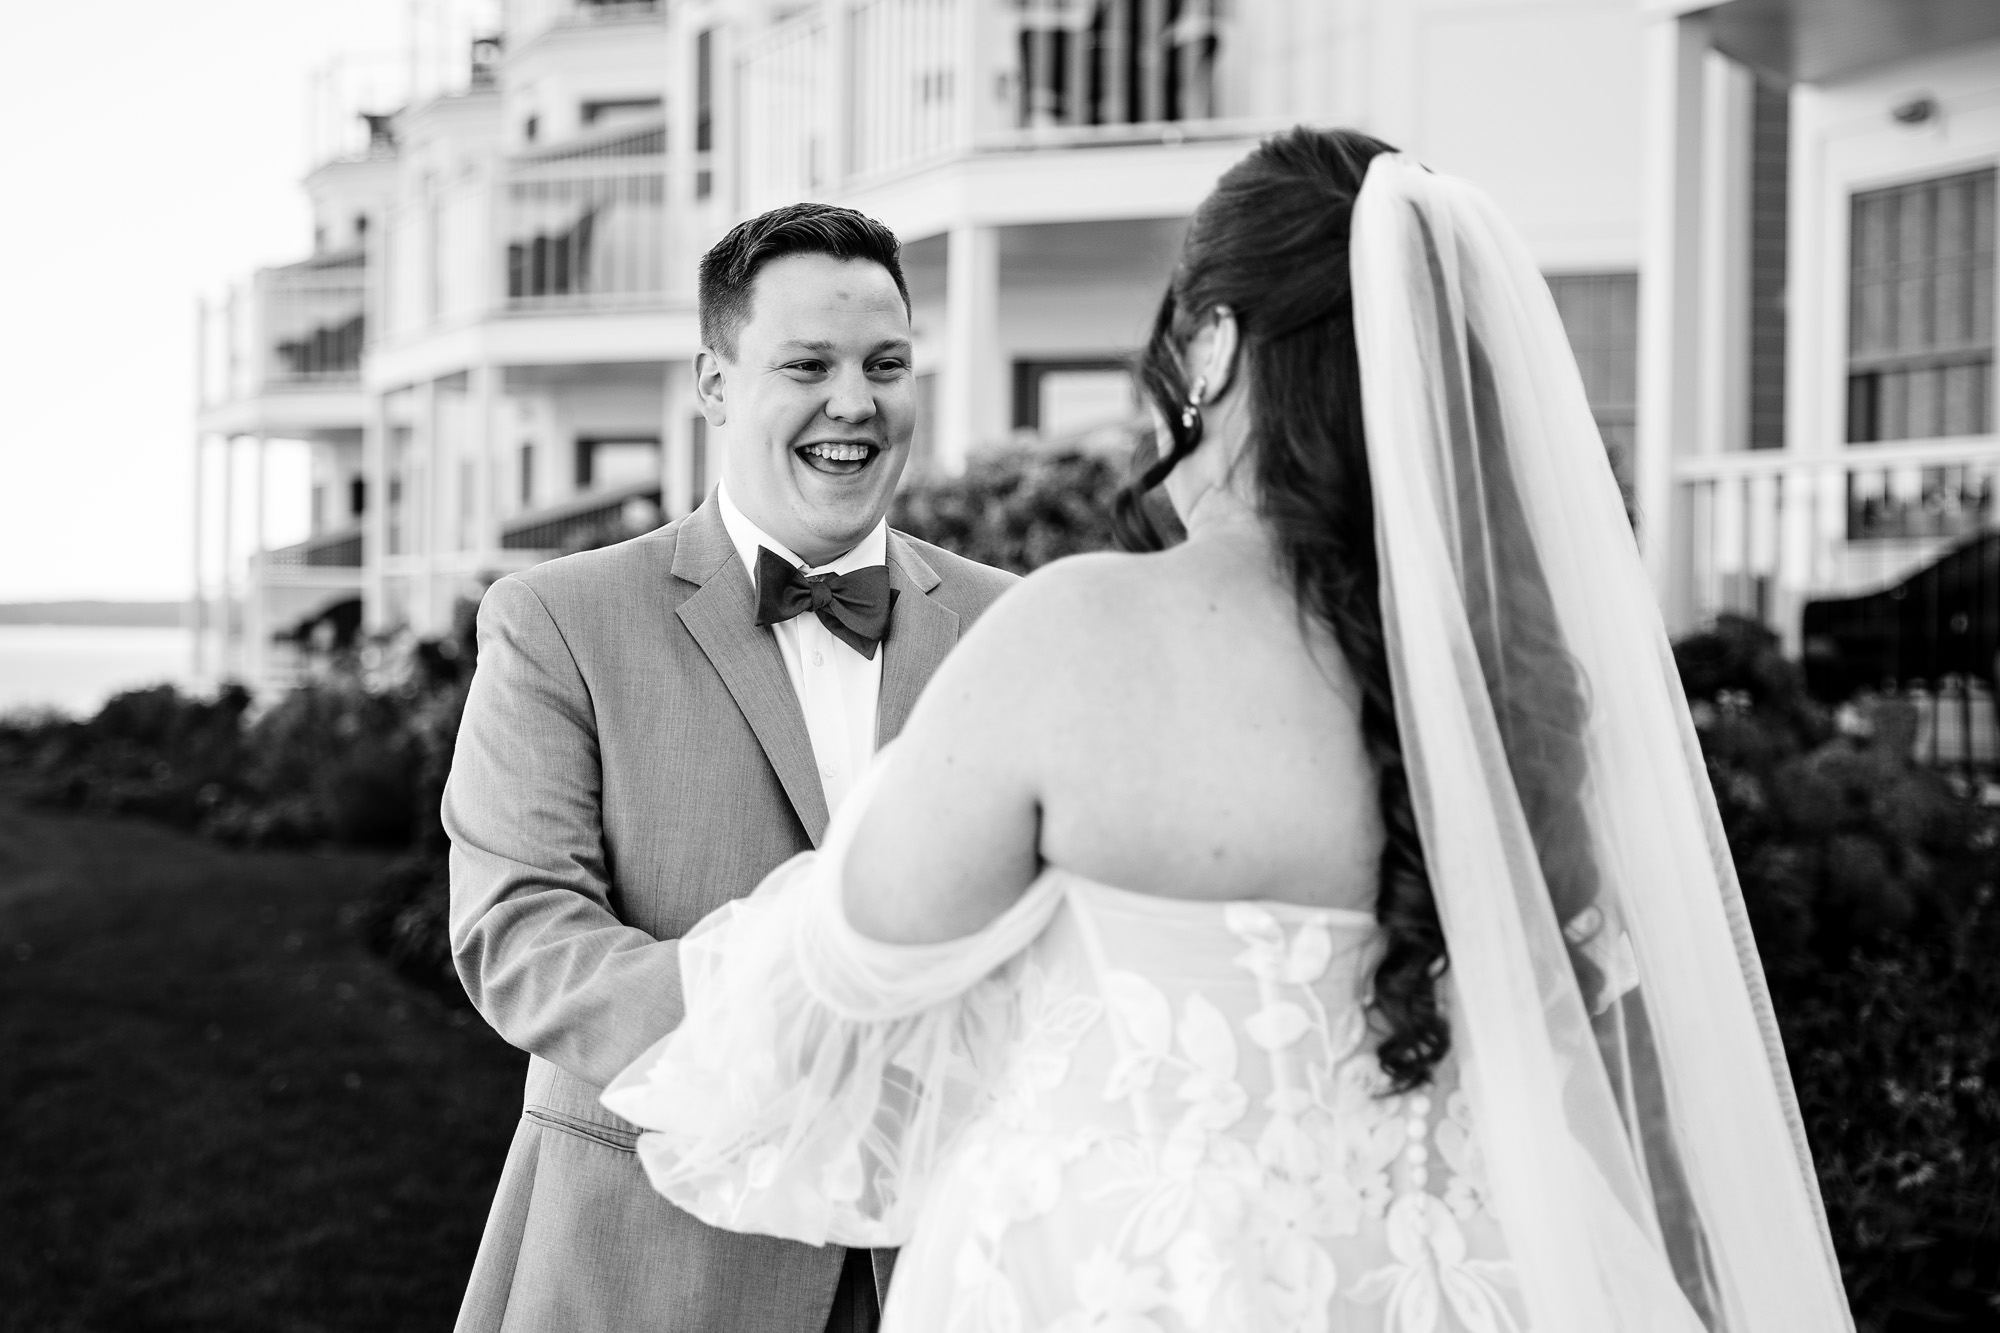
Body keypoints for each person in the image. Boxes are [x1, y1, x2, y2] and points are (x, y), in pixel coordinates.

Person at [604, 129, 1856, 1331]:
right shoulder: (1512, 686)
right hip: (1457, 1277)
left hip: (1129, 1282)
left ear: (1209, 347)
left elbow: (829, 987)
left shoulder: (1079, 636)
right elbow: (1614, 1086)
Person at [444, 202, 1016, 1333]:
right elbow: (519, 932)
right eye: (807, 364)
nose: (854, 402)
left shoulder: (1013, 626)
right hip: (650, 1261)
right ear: (714, 384)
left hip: (944, 1264)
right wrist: (793, 1027)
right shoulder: (559, 620)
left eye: (885, 364)